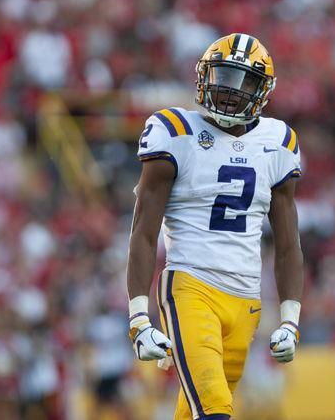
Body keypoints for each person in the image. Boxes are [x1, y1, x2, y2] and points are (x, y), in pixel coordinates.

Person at [125, 33, 304, 420]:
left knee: (190, 414)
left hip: (247, 301)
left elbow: (289, 244)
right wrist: (139, 317)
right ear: (205, 75)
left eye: (243, 81)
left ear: (263, 91)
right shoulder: (174, 131)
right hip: (191, 288)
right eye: (223, 75)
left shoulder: (278, 142)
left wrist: (290, 320)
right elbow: (143, 231)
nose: (229, 89)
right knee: (215, 409)